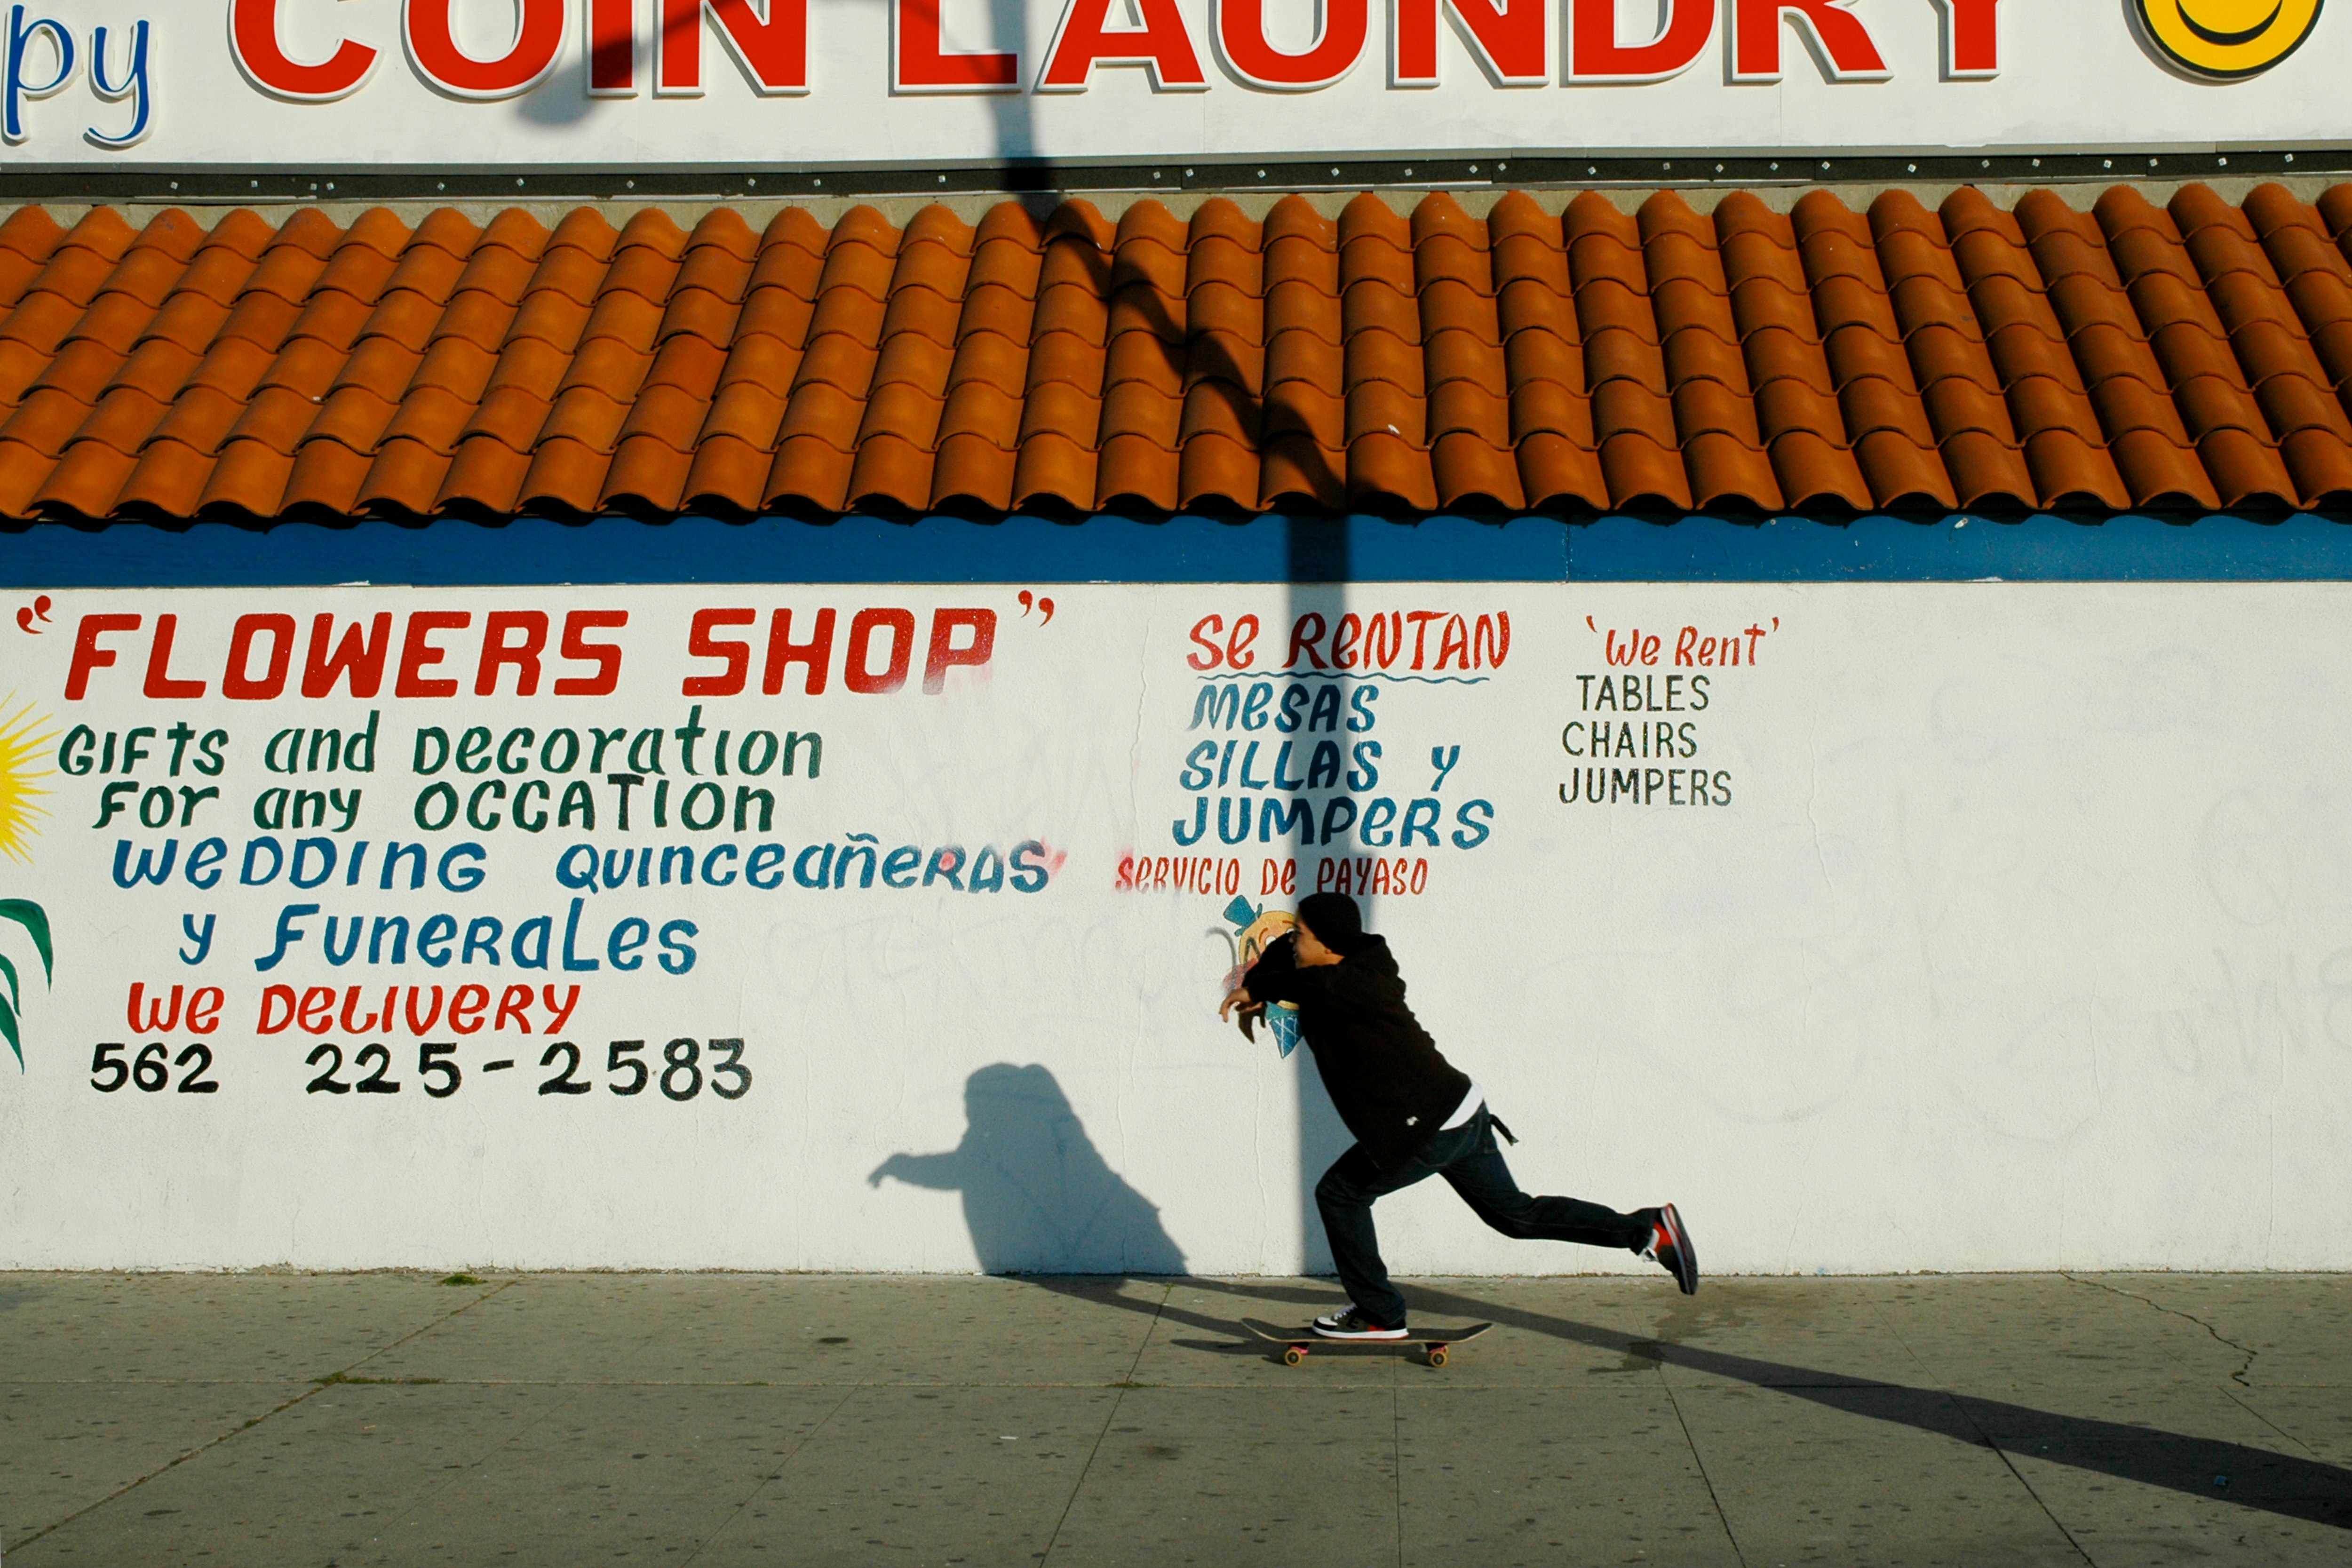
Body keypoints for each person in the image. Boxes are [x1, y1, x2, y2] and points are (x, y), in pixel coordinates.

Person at [1219, 891, 1697, 1339]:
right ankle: (1646, 1229)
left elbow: (1305, 980)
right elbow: (1292, 960)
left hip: (1424, 1128)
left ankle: (1377, 1314)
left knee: (1339, 1195)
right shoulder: (1364, 959)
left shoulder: (1351, 985)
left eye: (1301, 934)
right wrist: (1262, 981)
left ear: (1327, 945)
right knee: (1515, 1216)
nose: (1291, 941)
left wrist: (1256, 985)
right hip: (1458, 1111)